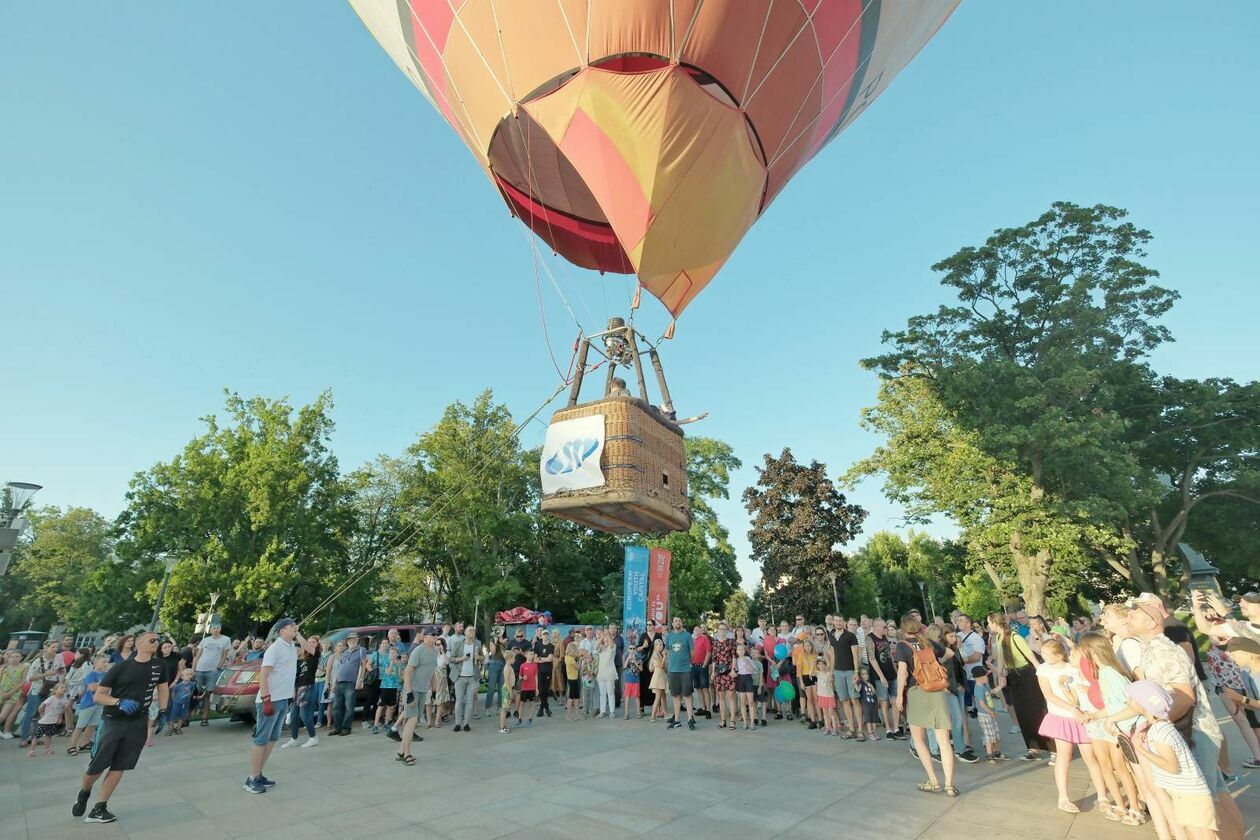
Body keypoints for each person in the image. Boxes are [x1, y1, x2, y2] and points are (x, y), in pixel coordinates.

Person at [1128, 593, 1243, 840]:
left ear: (1151, 622)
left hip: (1194, 731)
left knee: (1204, 808)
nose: (1130, 617)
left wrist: (1159, 724)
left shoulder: (1162, 650)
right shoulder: (1152, 648)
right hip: (1195, 729)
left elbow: (1184, 695)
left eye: (1135, 614)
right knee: (1217, 797)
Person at [72, 630, 169, 824]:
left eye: (158, 640)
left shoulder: (160, 665)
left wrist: (163, 710)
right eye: (152, 640)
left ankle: (99, 808)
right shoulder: (120, 668)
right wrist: (118, 702)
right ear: (139, 644)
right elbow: (99, 695)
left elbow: (163, 687)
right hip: (114, 720)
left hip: (138, 721)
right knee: (97, 765)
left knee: (120, 765)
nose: (156, 643)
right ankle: (84, 792)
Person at [1127, 680, 1221, 840]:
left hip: (1191, 796)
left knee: (1202, 836)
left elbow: (1171, 767)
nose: (1127, 701)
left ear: (1141, 704)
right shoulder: (1160, 726)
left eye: (1130, 698)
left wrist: (1142, 750)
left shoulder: (1159, 732)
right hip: (1186, 794)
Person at [1076, 632, 1144, 826]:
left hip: (1122, 728)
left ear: (1090, 651)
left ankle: (1135, 808)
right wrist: (1095, 716)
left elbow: (1130, 704)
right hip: (1110, 723)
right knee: (1108, 766)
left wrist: (1110, 720)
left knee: (1121, 768)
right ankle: (1122, 806)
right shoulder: (1104, 672)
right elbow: (1112, 704)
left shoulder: (1110, 674)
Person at [1035, 638, 1105, 814]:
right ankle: (1063, 797)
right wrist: (1072, 709)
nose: (1043, 657)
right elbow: (1048, 695)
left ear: (1060, 655)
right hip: (1061, 716)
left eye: (1047, 654)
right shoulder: (1043, 669)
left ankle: (1103, 796)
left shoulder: (1072, 668)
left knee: (1091, 758)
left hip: (1082, 716)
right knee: (1063, 756)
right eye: (1042, 653)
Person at [894, 614, 958, 797]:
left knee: (919, 739)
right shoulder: (928, 643)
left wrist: (899, 696)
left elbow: (902, 672)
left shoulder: (902, 646)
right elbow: (950, 653)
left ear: (903, 629)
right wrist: (935, 665)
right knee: (944, 741)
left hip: (917, 692)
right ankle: (949, 785)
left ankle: (933, 780)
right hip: (937, 691)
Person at [242, 619, 301, 794]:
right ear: (282, 630)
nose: (295, 629)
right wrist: (266, 698)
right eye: (292, 627)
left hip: (283, 699)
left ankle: (259, 774)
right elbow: (264, 675)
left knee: (272, 739)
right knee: (261, 739)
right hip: (270, 699)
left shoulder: (291, 646)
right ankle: (251, 778)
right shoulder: (274, 649)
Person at [988, 611, 1052, 760]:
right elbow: (1002, 658)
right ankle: (1033, 749)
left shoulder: (1015, 637)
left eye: (990, 622)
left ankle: (1053, 748)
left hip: (1027, 676)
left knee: (1036, 711)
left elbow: (1031, 657)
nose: (988, 625)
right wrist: (1000, 675)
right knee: (1022, 714)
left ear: (996, 623)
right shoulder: (998, 637)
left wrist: (1043, 677)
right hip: (1013, 676)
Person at [392, 630, 431, 763]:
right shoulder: (418, 651)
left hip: (423, 690)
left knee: (414, 722)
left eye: (436, 634)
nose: (435, 636)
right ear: (425, 637)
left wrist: (434, 687)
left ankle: (401, 751)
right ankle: (407, 754)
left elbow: (432, 670)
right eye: (432, 634)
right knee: (412, 721)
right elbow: (407, 674)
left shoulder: (434, 652)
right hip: (412, 690)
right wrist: (409, 695)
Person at [282, 634, 321, 748]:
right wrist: (294, 691)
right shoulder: (301, 660)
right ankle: (294, 739)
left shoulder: (315, 655)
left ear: (317, 645)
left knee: (305, 715)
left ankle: (313, 737)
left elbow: (305, 645)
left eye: (313, 642)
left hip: (308, 688)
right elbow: (296, 677)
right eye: (309, 641)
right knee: (294, 716)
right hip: (299, 689)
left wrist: (297, 634)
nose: (311, 643)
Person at [866, 619, 902, 739]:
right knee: (884, 702)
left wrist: (897, 672)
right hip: (879, 675)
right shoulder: (870, 638)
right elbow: (872, 659)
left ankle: (896, 727)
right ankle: (888, 729)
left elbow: (889, 656)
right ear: (876, 626)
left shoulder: (884, 637)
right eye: (884, 626)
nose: (886, 628)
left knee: (895, 700)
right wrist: (881, 677)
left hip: (891, 673)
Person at [67, 654, 109, 755]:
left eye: (106, 662)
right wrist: (103, 685)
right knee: (80, 725)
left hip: (100, 703)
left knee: (93, 725)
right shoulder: (91, 675)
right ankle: (72, 746)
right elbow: (92, 688)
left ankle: (83, 743)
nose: (105, 664)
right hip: (88, 703)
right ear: (95, 663)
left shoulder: (105, 674)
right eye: (103, 662)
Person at [194, 622, 232, 727]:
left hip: (212, 670)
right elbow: (198, 655)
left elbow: (224, 655)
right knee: (195, 692)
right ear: (210, 630)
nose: (215, 630)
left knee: (207, 693)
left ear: (220, 629)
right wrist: (193, 668)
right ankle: (188, 716)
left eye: (217, 628)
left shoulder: (226, 639)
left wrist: (218, 667)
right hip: (200, 668)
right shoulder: (205, 640)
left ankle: (204, 717)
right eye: (213, 628)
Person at [329, 632, 367, 736]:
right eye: (350, 640)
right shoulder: (345, 652)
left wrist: (361, 680)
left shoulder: (361, 650)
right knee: (336, 706)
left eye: (354, 639)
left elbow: (364, 666)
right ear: (347, 641)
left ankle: (346, 728)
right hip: (340, 682)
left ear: (357, 640)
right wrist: (334, 683)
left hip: (351, 682)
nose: (352, 641)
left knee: (349, 706)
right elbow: (339, 668)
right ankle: (337, 727)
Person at [832, 617, 862, 739]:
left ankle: (860, 730)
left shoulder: (850, 636)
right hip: (838, 672)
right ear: (833, 622)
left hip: (850, 671)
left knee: (854, 700)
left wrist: (856, 672)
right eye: (836, 621)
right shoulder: (832, 636)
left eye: (840, 621)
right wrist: (831, 672)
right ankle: (851, 729)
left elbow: (855, 655)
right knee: (844, 701)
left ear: (843, 622)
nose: (838, 623)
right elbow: (832, 654)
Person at [665, 616, 696, 730]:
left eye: (679, 620)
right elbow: (668, 650)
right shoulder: (670, 636)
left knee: (687, 695)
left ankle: (690, 719)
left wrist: (686, 662)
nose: (677, 622)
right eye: (675, 621)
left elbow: (692, 653)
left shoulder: (687, 635)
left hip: (685, 670)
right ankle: (677, 720)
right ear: (672, 624)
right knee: (676, 696)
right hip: (673, 670)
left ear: (681, 623)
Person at [449, 624, 481, 732]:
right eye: (470, 630)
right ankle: (458, 723)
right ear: (465, 633)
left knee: (469, 702)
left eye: (473, 630)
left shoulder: (477, 644)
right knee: (459, 701)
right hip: (460, 677)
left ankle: (466, 723)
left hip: (472, 677)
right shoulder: (458, 644)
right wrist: (462, 658)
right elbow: (451, 659)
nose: (472, 631)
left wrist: (479, 657)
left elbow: (482, 657)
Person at [970, 666, 1004, 762]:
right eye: (986, 676)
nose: (987, 677)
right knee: (989, 735)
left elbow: (992, 691)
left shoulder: (985, 685)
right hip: (984, 715)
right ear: (980, 678)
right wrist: (990, 712)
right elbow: (981, 703)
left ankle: (997, 752)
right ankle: (989, 755)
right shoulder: (978, 688)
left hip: (989, 713)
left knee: (995, 733)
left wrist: (1000, 686)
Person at [29, 682, 70, 757]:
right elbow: (41, 707)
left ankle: (47, 749)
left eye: (65, 688)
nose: (64, 689)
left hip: (53, 721)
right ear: (55, 690)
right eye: (62, 687)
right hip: (44, 722)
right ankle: (32, 750)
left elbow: (63, 709)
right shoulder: (51, 699)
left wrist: (60, 717)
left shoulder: (64, 699)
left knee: (49, 736)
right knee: (37, 736)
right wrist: (42, 715)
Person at [711, 621, 736, 729]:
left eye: (724, 629)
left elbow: (734, 656)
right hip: (719, 673)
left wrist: (734, 670)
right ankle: (722, 720)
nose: (722, 630)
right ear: (718, 630)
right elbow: (714, 660)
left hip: (729, 672)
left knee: (731, 696)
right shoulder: (715, 643)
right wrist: (713, 672)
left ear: (726, 630)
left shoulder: (731, 642)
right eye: (720, 629)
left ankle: (732, 721)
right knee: (721, 697)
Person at [532, 626, 556, 718]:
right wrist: (543, 659)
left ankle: (542, 709)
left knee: (545, 691)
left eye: (546, 634)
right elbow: (534, 659)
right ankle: (546, 708)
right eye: (543, 634)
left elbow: (550, 659)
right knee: (541, 690)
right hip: (539, 671)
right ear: (541, 636)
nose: (545, 636)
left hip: (547, 671)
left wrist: (540, 658)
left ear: (548, 636)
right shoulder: (538, 645)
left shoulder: (551, 646)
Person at [691, 624, 712, 719]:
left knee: (705, 688)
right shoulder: (692, 640)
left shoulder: (704, 639)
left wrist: (705, 664)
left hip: (702, 666)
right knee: (698, 688)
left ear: (700, 630)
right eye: (695, 629)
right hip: (694, 666)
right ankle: (703, 707)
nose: (696, 630)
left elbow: (708, 652)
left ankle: (708, 709)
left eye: (698, 629)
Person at [595, 629, 617, 718]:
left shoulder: (613, 646)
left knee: (610, 692)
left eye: (607, 637)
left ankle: (612, 711)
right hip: (601, 672)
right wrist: (601, 637)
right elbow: (596, 646)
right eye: (604, 637)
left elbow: (611, 644)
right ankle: (602, 711)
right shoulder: (601, 646)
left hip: (610, 671)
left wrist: (607, 634)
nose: (605, 639)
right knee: (602, 693)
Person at [516, 648, 539, 727]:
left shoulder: (535, 665)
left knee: (532, 704)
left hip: (532, 688)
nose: (531, 656)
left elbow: (536, 677)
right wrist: (522, 678)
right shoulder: (522, 665)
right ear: (526, 655)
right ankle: (519, 720)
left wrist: (537, 688)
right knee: (522, 704)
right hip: (524, 688)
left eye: (532, 654)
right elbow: (519, 677)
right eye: (530, 654)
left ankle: (530, 720)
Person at [168, 669, 195, 735]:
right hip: (177, 703)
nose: (189, 676)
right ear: (182, 677)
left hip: (185, 703)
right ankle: (170, 729)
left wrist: (189, 697)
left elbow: (192, 691)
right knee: (173, 715)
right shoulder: (178, 686)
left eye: (190, 674)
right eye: (187, 674)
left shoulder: (192, 684)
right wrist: (175, 700)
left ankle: (178, 728)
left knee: (182, 716)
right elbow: (173, 693)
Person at [649, 638, 668, 720]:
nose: (661, 646)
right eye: (659, 645)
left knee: (663, 696)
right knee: (658, 696)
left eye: (662, 645)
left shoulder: (659, 654)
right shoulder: (655, 654)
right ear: (655, 646)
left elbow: (664, 667)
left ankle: (666, 713)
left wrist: (665, 658)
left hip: (662, 676)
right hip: (658, 677)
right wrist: (664, 657)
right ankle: (653, 715)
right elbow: (660, 666)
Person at [497, 655, 517, 734]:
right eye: (513, 658)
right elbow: (507, 681)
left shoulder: (509, 667)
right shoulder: (507, 668)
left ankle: (504, 725)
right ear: (509, 658)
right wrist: (511, 691)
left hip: (508, 689)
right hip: (507, 690)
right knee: (504, 709)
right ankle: (501, 727)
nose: (514, 660)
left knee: (506, 708)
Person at [622, 642, 642, 720]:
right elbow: (624, 667)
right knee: (627, 697)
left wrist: (635, 661)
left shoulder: (638, 656)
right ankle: (626, 713)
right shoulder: (626, 655)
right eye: (630, 648)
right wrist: (628, 659)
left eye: (634, 648)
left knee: (637, 697)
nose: (632, 650)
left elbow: (641, 669)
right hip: (628, 680)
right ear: (628, 649)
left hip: (636, 680)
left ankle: (638, 713)